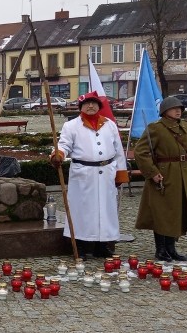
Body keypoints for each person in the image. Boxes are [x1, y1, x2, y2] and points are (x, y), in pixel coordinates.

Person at [50, 91, 128, 259]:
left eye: (94, 103)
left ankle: (102, 246)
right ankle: (82, 246)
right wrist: (58, 154)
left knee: (105, 211)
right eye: (87, 104)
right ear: (81, 107)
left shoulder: (110, 125)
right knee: (82, 211)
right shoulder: (71, 126)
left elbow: (118, 151)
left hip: (106, 173)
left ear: (99, 106)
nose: (91, 106)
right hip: (83, 175)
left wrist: (120, 173)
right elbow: (64, 144)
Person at [133, 96, 187, 262]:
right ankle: (161, 250)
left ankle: (171, 248)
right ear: (164, 111)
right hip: (164, 175)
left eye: (180, 108)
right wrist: (152, 172)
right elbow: (141, 152)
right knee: (162, 213)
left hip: (183, 175)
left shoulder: (186, 127)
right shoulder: (156, 128)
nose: (178, 111)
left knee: (178, 212)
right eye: (174, 108)